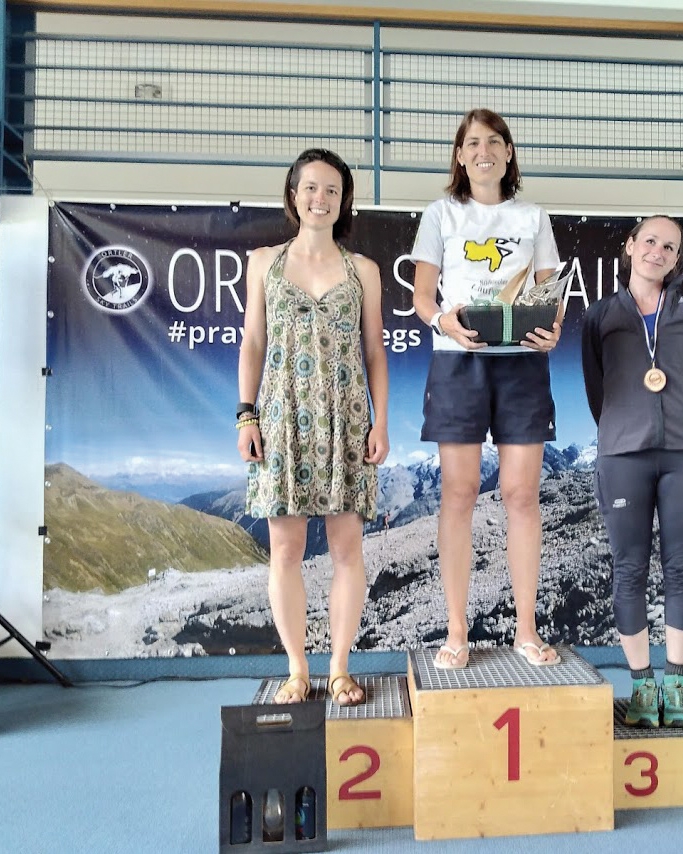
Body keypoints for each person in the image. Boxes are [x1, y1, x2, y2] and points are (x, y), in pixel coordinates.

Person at [410, 108, 565, 669]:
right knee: (459, 494)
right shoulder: (440, 215)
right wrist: (442, 323)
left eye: (494, 142)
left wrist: (551, 329)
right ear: (459, 155)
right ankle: (457, 632)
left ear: (508, 153)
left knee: (522, 497)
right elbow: (423, 297)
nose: (484, 151)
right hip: (458, 364)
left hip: (521, 366)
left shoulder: (533, 217)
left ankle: (526, 629)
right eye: (473, 142)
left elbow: (552, 294)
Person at [239, 148, 390, 706]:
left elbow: (374, 350)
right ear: (293, 194)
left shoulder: (365, 272)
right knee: (286, 549)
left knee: (348, 547)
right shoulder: (263, 262)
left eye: (331, 189)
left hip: (347, 418)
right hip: (281, 419)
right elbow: (253, 343)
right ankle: (298, 670)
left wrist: (380, 422)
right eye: (310, 188)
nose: (320, 198)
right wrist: (246, 413)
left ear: (344, 200)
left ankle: (342, 669)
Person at [581, 215, 683, 727]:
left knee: (681, 568)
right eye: (650, 241)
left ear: (677, 260)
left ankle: (675, 685)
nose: (658, 252)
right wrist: (625, 425)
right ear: (630, 246)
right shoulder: (599, 316)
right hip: (622, 455)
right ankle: (640, 687)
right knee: (629, 569)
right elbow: (598, 389)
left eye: (670, 247)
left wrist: (671, 418)